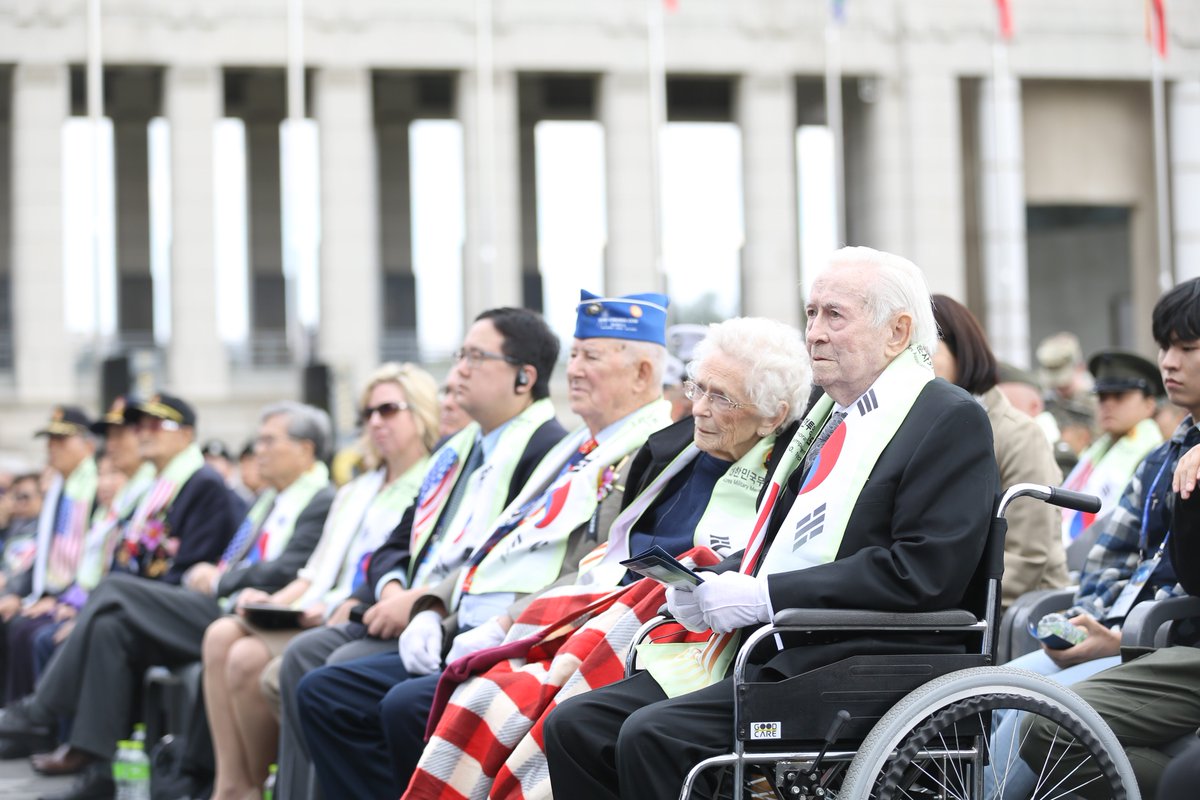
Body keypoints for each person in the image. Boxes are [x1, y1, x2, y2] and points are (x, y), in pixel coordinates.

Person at [542, 247, 999, 800]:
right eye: (811, 313)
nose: (814, 333)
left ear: (897, 332)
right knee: (575, 725)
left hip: (865, 656)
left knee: (652, 735)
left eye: (835, 315)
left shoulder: (947, 417)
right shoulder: (829, 417)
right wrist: (710, 584)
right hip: (784, 644)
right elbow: (781, 544)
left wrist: (765, 596)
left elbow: (924, 573)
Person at [405, 316, 811, 800]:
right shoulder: (667, 451)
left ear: (772, 415)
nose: (698, 408)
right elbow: (606, 553)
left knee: (559, 723)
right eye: (696, 388)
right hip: (604, 612)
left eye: (720, 397)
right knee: (484, 697)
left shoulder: (792, 474)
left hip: (688, 634)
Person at [296, 291, 677, 799]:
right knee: (328, 690)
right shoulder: (575, 449)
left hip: (541, 635)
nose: (575, 370)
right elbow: (498, 547)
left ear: (642, 373)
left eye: (592, 357)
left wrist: (502, 623)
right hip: (477, 622)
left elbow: (596, 571)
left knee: (396, 702)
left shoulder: (649, 451)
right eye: (575, 354)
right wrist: (435, 608)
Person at [270, 307, 568, 800]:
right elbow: (396, 543)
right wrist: (394, 590)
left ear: (524, 377)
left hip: (467, 623)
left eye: (476, 357)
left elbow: (514, 560)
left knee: (335, 674)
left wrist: (422, 605)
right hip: (418, 611)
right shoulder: (457, 452)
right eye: (460, 355)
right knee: (318, 679)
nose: (459, 371)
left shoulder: (546, 451)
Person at [990, 277, 1200, 798]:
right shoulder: (1159, 459)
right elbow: (1112, 553)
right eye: (1164, 346)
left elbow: (1183, 585)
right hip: (1127, 633)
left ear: (1144, 402)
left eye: (1186, 348)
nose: (1169, 361)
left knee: (1037, 717)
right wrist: (1094, 624)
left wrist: (1123, 636)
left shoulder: (1152, 452)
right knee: (1000, 693)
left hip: (1160, 638)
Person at [0, 394, 264, 799]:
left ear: (188, 435)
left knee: (112, 592)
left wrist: (133, 596)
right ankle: (100, 767)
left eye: (157, 426)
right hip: (159, 607)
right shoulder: (158, 489)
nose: (144, 434)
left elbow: (192, 570)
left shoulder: (203, 484)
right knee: (109, 626)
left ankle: (40, 709)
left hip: (201, 611)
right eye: (141, 426)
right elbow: (132, 561)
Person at [201, 364, 438, 800]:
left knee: (251, 658)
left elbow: (401, 566)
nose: (375, 422)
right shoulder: (356, 488)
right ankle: (234, 786)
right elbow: (316, 570)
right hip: (316, 605)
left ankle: (262, 788)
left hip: (350, 611)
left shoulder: (431, 482)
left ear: (421, 413)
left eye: (388, 409)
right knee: (222, 636)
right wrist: (273, 600)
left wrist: (337, 604)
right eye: (367, 413)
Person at [932, 295, 1067, 610]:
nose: (916, 361)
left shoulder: (1018, 434)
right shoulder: (922, 429)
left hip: (1018, 617)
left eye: (928, 348)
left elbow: (1027, 557)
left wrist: (946, 608)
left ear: (961, 350)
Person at [0, 407, 98, 707]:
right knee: (10, 619)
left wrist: (62, 598)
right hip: (50, 592)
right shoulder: (60, 488)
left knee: (29, 632)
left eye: (61, 440)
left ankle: (35, 721)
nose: (51, 448)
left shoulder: (92, 488)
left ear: (87, 445)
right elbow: (44, 555)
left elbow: (92, 557)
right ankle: (15, 714)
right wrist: (16, 592)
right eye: (50, 440)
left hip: (75, 597)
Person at [1060, 350, 1164, 551]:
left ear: (1149, 404)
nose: (1107, 404)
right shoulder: (1099, 451)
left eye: (1119, 396)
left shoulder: (1154, 455)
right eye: (1102, 397)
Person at [1037, 331, 1096, 456]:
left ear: (1080, 368)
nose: (1059, 389)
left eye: (1064, 385)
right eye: (1055, 385)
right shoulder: (1044, 403)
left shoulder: (1096, 401)